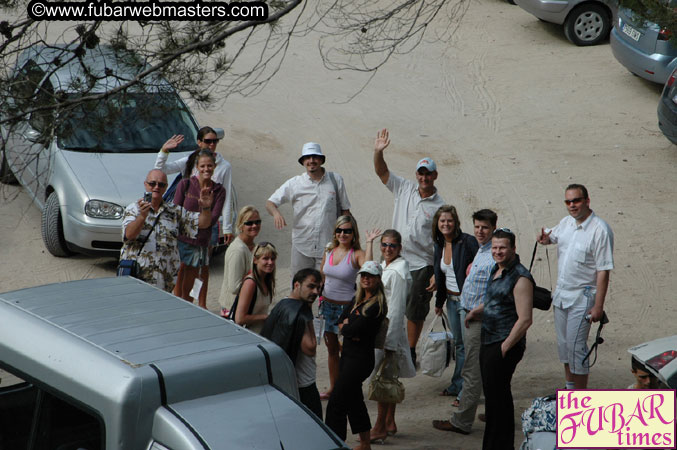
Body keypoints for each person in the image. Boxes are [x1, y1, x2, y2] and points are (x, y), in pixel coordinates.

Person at [373, 128, 445, 366]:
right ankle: (386, 344)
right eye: (421, 173)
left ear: (435, 176)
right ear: (416, 174)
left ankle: (411, 350)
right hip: (396, 258)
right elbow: (381, 171)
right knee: (389, 302)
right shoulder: (403, 188)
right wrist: (378, 152)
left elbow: (443, 241)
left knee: (415, 309)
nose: (424, 177)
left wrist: (437, 271)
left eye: (428, 174)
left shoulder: (440, 206)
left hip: (422, 264)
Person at [537, 183, 614, 390]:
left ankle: (580, 397)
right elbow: (550, 237)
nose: (572, 205)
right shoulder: (566, 222)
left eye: (576, 201)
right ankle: (570, 389)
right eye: (568, 201)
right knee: (564, 347)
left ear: (587, 201)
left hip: (583, 297)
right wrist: (544, 239)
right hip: (562, 295)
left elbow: (603, 271)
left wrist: (598, 306)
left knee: (576, 347)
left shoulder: (600, 230)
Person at [464, 229, 534, 450]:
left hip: (504, 344)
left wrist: (504, 347)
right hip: (489, 340)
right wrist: (477, 311)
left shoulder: (520, 278)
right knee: (494, 400)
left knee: (500, 398)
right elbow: (497, 300)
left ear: (513, 248)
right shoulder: (497, 269)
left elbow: (525, 320)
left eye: (502, 247)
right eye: (494, 247)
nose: (497, 251)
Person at [432, 209, 498, 435]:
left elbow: (496, 291)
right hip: (460, 305)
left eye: (485, 228)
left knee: (471, 363)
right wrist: (440, 299)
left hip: (473, 313)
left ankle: (462, 415)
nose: (480, 231)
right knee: (473, 357)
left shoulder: (484, 250)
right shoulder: (477, 249)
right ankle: (493, 413)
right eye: (477, 227)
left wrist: (474, 310)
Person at [325, 261, 388, 450]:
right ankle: (365, 443)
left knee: (336, 401)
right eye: (364, 275)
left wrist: (348, 327)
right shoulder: (357, 299)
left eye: (370, 276)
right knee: (354, 401)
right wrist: (348, 328)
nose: (366, 279)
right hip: (349, 357)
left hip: (359, 361)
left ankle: (335, 444)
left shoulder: (376, 306)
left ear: (378, 279)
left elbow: (351, 329)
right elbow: (340, 323)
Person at [120, 169, 213, 292]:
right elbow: (129, 235)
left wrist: (206, 208)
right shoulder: (134, 209)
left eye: (161, 184)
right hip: (137, 280)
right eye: (152, 183)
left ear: (166, 187)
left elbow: (202, 224)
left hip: (165, 282)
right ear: (145, 184)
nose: (156, 187)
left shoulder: (175, 211)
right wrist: (142, 216)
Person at [266, 142, 351, 276]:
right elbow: (270, 203)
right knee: (299, 287)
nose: (311, 161)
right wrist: (276, 214)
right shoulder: (295, 183)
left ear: (321, 160)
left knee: (325, 288)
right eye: (307, 157)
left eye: (315, 157)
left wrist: (348, 239)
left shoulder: (336, 180)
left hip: (328, 247)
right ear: (303, 161)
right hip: (301, 245)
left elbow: (345, 211)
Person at [364, 229, 416, 444]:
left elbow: (396, 308)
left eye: (392, 246)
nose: (387, 249)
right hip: (386, 332)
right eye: (384, 245)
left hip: (388, 334)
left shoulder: (398, 272)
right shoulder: (388, 266)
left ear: (399, 248)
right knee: (388, 376)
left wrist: (388, 342)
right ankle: (390, 422)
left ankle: (379, 427)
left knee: (382, 380)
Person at [154, 126, 235, 245]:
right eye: (208, 141)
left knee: (205, 260)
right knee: (183, 260)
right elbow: (161, 169)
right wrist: (164, 151)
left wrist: (227, 227)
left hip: (209, 221)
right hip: (186, 221)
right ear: (199, 142)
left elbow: (227, 198)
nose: (212, 144)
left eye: (215, 141)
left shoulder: (224, 166)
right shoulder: (190, 160)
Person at [261, 268, 323, 419]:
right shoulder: (299, 311)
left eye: (318, 288)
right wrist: (307, 318)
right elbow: (310, 348)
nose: (315, 292)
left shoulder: (282, 304)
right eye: (311, 286)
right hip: (303, 384)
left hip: (285, 381)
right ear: (297, 285)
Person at [431, 205, 479, 402]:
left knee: (467, 347)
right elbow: (440, 275)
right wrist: (439, 301)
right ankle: (457, 385)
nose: (446, 224)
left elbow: (479, 268)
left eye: (449, 220)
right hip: (451, 301)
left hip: (466, 301)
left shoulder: (467, 242)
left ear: (456, 222)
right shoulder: (439, 243)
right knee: (459, 345)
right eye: (442, 221)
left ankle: (465, 391)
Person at [319, 215, 368, 400]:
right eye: (339, 230)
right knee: (332, 348)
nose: (343, 234)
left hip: (346, 308)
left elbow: (368, 269)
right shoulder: (329, 250)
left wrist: (370, 244)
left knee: (349, 350)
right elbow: (323, 275)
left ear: (353, 233)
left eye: (347, 230)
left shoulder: (357, 253)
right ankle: (334, 388)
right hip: (327, 305)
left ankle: (350, 387)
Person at [172, 150, 226, 308]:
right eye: (203, 166)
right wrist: (201, 217)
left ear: (215, 167)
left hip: (201, 243)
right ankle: (178, 305)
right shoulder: (186, 184)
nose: (206, 169)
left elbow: (212, 220)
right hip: (181, 241)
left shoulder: (219, 191)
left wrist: (205, 211)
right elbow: (176, 212)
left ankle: (191, 306)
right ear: (196, 167)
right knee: (179, 274)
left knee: (197, 278)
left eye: (210, 165)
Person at [218, 205, 261, 317]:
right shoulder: (238, 251)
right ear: (241, 226)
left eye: (257, 222)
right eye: (249, 223)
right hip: (233, 310)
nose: (254, 225)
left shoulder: (253, 246)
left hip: (244, 308)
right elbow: (234, 287)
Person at [232, 242, 277, 334]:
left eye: (272, 259)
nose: (270, 262)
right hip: (248, 336)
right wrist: (266, 317)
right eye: (265, 259)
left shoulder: (266, 280)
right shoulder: (250, 283)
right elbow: (239, 319)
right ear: (255, 260)